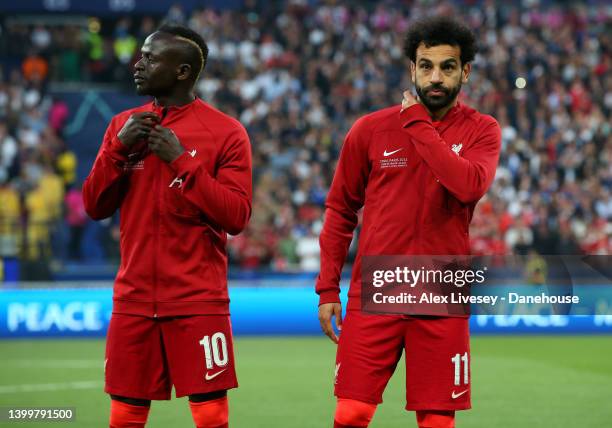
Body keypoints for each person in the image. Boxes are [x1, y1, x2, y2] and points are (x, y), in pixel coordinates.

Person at [316, 16, 501, 428]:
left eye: (447, 67)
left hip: (442, 286)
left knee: (436, 420)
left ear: (465, 72)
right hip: (379, 284)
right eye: (426, 65)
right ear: (412, 68)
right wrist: (328, 286)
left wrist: (417, 123)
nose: (435, 77)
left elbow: (467, 185)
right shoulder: (369, 129)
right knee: (351, 413)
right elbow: (340, 210)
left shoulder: (482, 130)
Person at [83, 24, 252, 428]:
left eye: (150, 57)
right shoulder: (123, 126)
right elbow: (93, 205)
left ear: (182, 71)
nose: (138, 64)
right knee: (124, 415)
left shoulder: (226, 132)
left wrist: (182, 161)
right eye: (141, 55)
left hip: (198, 300)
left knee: (211, 416)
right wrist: (117, 150)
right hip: (134, 300)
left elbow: (236, 216)